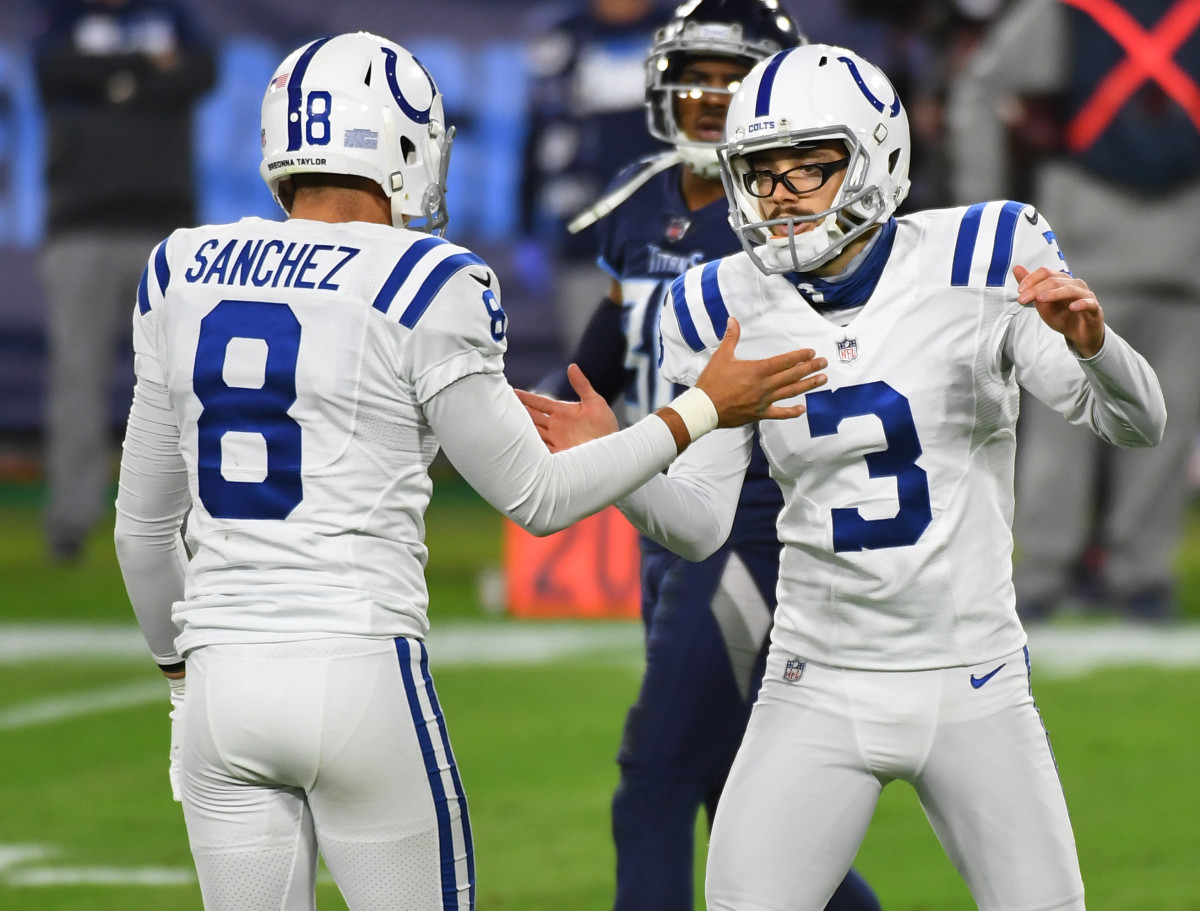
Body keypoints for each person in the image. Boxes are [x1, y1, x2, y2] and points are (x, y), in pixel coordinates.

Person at [111, 31, 827, 911]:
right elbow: (539, 495)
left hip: (220, 686)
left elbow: (142, 534)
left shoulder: (182, 268)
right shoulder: (426, 278)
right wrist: (700, 410)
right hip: (357, 667)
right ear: (400, 144)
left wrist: (180, 684)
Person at [518, 43, 1166, 910]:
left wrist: (1093, 345)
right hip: (815, 679)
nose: (780, 194)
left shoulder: (982, 256)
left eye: (808, 167)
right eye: (761, 172)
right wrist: (620, 461)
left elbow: (1138, 422)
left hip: (971, 678)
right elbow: (701, 523)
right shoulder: (717, 302)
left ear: (876, 157)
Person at [542, 3, 879, 909]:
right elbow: (609, 342)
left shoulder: (791, 215)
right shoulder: (637, 198)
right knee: (728, 784)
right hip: (666, 509)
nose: (711, 97)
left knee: (656, 776)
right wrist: (540, 413)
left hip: (751, 518)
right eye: (695, 76)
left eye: (735, 81)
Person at [947, 0, 1200, 622]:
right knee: (1102, 417)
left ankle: (1081, 574)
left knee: (1099, 418)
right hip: (1130, 238)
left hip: (1116, 233)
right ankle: (1104, 575)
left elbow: (979, 91)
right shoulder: (1063, 12)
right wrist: (988, 213)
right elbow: (982, 91)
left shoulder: (1066, 11)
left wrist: (985, 213)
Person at [33, 0, 215, 561]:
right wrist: (144, 68)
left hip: (165, 229)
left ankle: (192, 523)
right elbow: (51, 71)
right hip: (80, 227)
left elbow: (203, 71)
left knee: (185, 380)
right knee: (77, 380)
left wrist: (107, 80)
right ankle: (71, 520)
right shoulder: (64, 18)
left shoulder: (171, 14)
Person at [519, 0, 673, 352]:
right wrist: (527, 227)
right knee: (591, 368)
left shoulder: (683, 31)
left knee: (675, 365)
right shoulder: (562, 37)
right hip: (585, 242)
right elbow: (539, 133)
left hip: (674, 240)